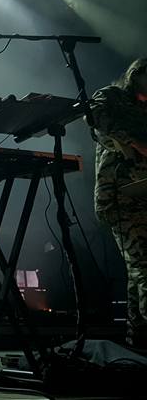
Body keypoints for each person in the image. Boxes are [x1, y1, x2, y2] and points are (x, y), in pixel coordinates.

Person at [90, 57, 147, 350]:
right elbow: (95, 118)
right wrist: (135, 142)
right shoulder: (111, 97)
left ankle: (137, 343)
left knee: (138, 271)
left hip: (142, 193)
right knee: (144, 268)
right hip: (121, 196)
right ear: (136, 75)